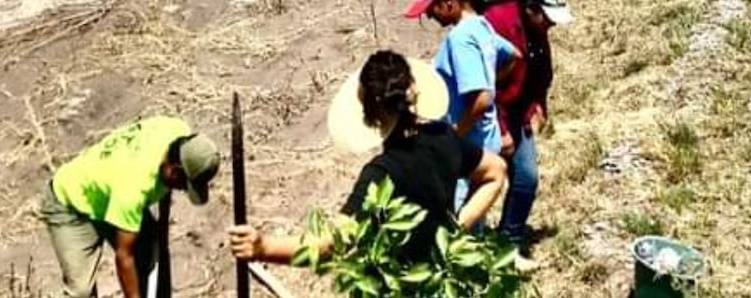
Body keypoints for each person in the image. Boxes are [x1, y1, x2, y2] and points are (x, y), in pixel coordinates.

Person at [228, 51, 507, 266]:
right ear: (414, 91)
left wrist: (264, 247)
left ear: (369, 114)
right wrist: (457, 228)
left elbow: (331, 244)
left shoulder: (382, 174)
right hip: (443, 275)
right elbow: (496, 170)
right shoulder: (443, 137)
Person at [40, 117, 220, 298]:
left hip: (110, 193)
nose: (182, 190)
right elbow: (124, 256)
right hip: (71, 205)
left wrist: (160, 226)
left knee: (149, 255)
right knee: (80, 292)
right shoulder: (134, 185)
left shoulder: (176, 130)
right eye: (183, 184)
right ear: (173, 170)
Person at [404, 0, 520, 211]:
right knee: (474, 216)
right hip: (487, 141)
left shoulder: (460, 38)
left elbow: (481, 99)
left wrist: (452, 136)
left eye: (431, 8)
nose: (429, 15)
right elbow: (513, 56)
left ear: (449, 1)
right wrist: (491, 81)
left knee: (456, 221)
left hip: (468, 148)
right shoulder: (482, 26)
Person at [482, 0, 574, 254]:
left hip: (517, 111)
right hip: (486, 114)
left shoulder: (537, 28)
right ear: (531, 8)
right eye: (548, 17)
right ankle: (469, 247)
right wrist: (501, 128)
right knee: (481, 183)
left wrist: (539, 106)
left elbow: (541, 71)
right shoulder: (497, 23)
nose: (552, 24)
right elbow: (483, 83)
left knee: (526, 177)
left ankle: (508, 243)